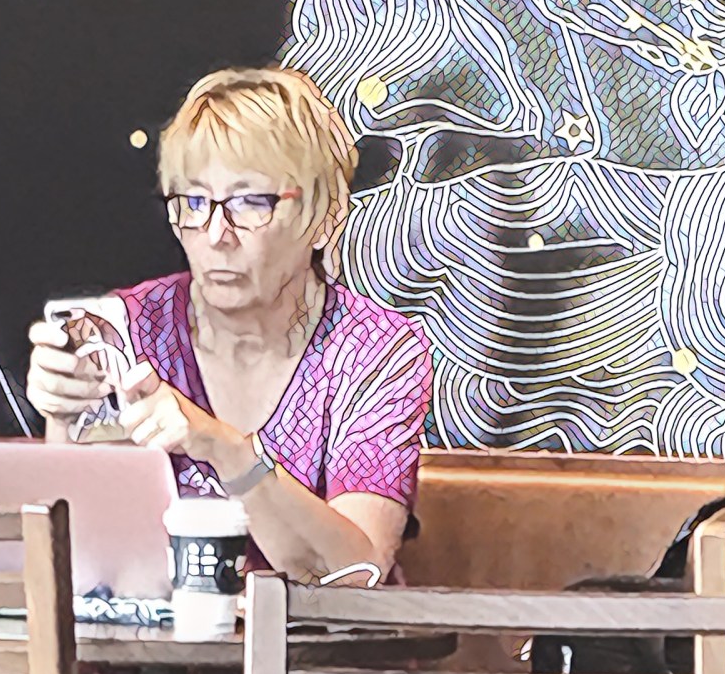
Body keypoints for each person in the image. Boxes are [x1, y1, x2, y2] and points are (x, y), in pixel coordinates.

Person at [26, 66, 433, 587]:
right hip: (157, 635)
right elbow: (82, 560)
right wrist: (63, 418)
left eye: (250, 202)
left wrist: (225, 449)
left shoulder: (374, 351)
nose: (217, 234)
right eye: (194, 202)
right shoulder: (128, 328)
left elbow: (355, 574)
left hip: (312, 639)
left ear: (325, 217)